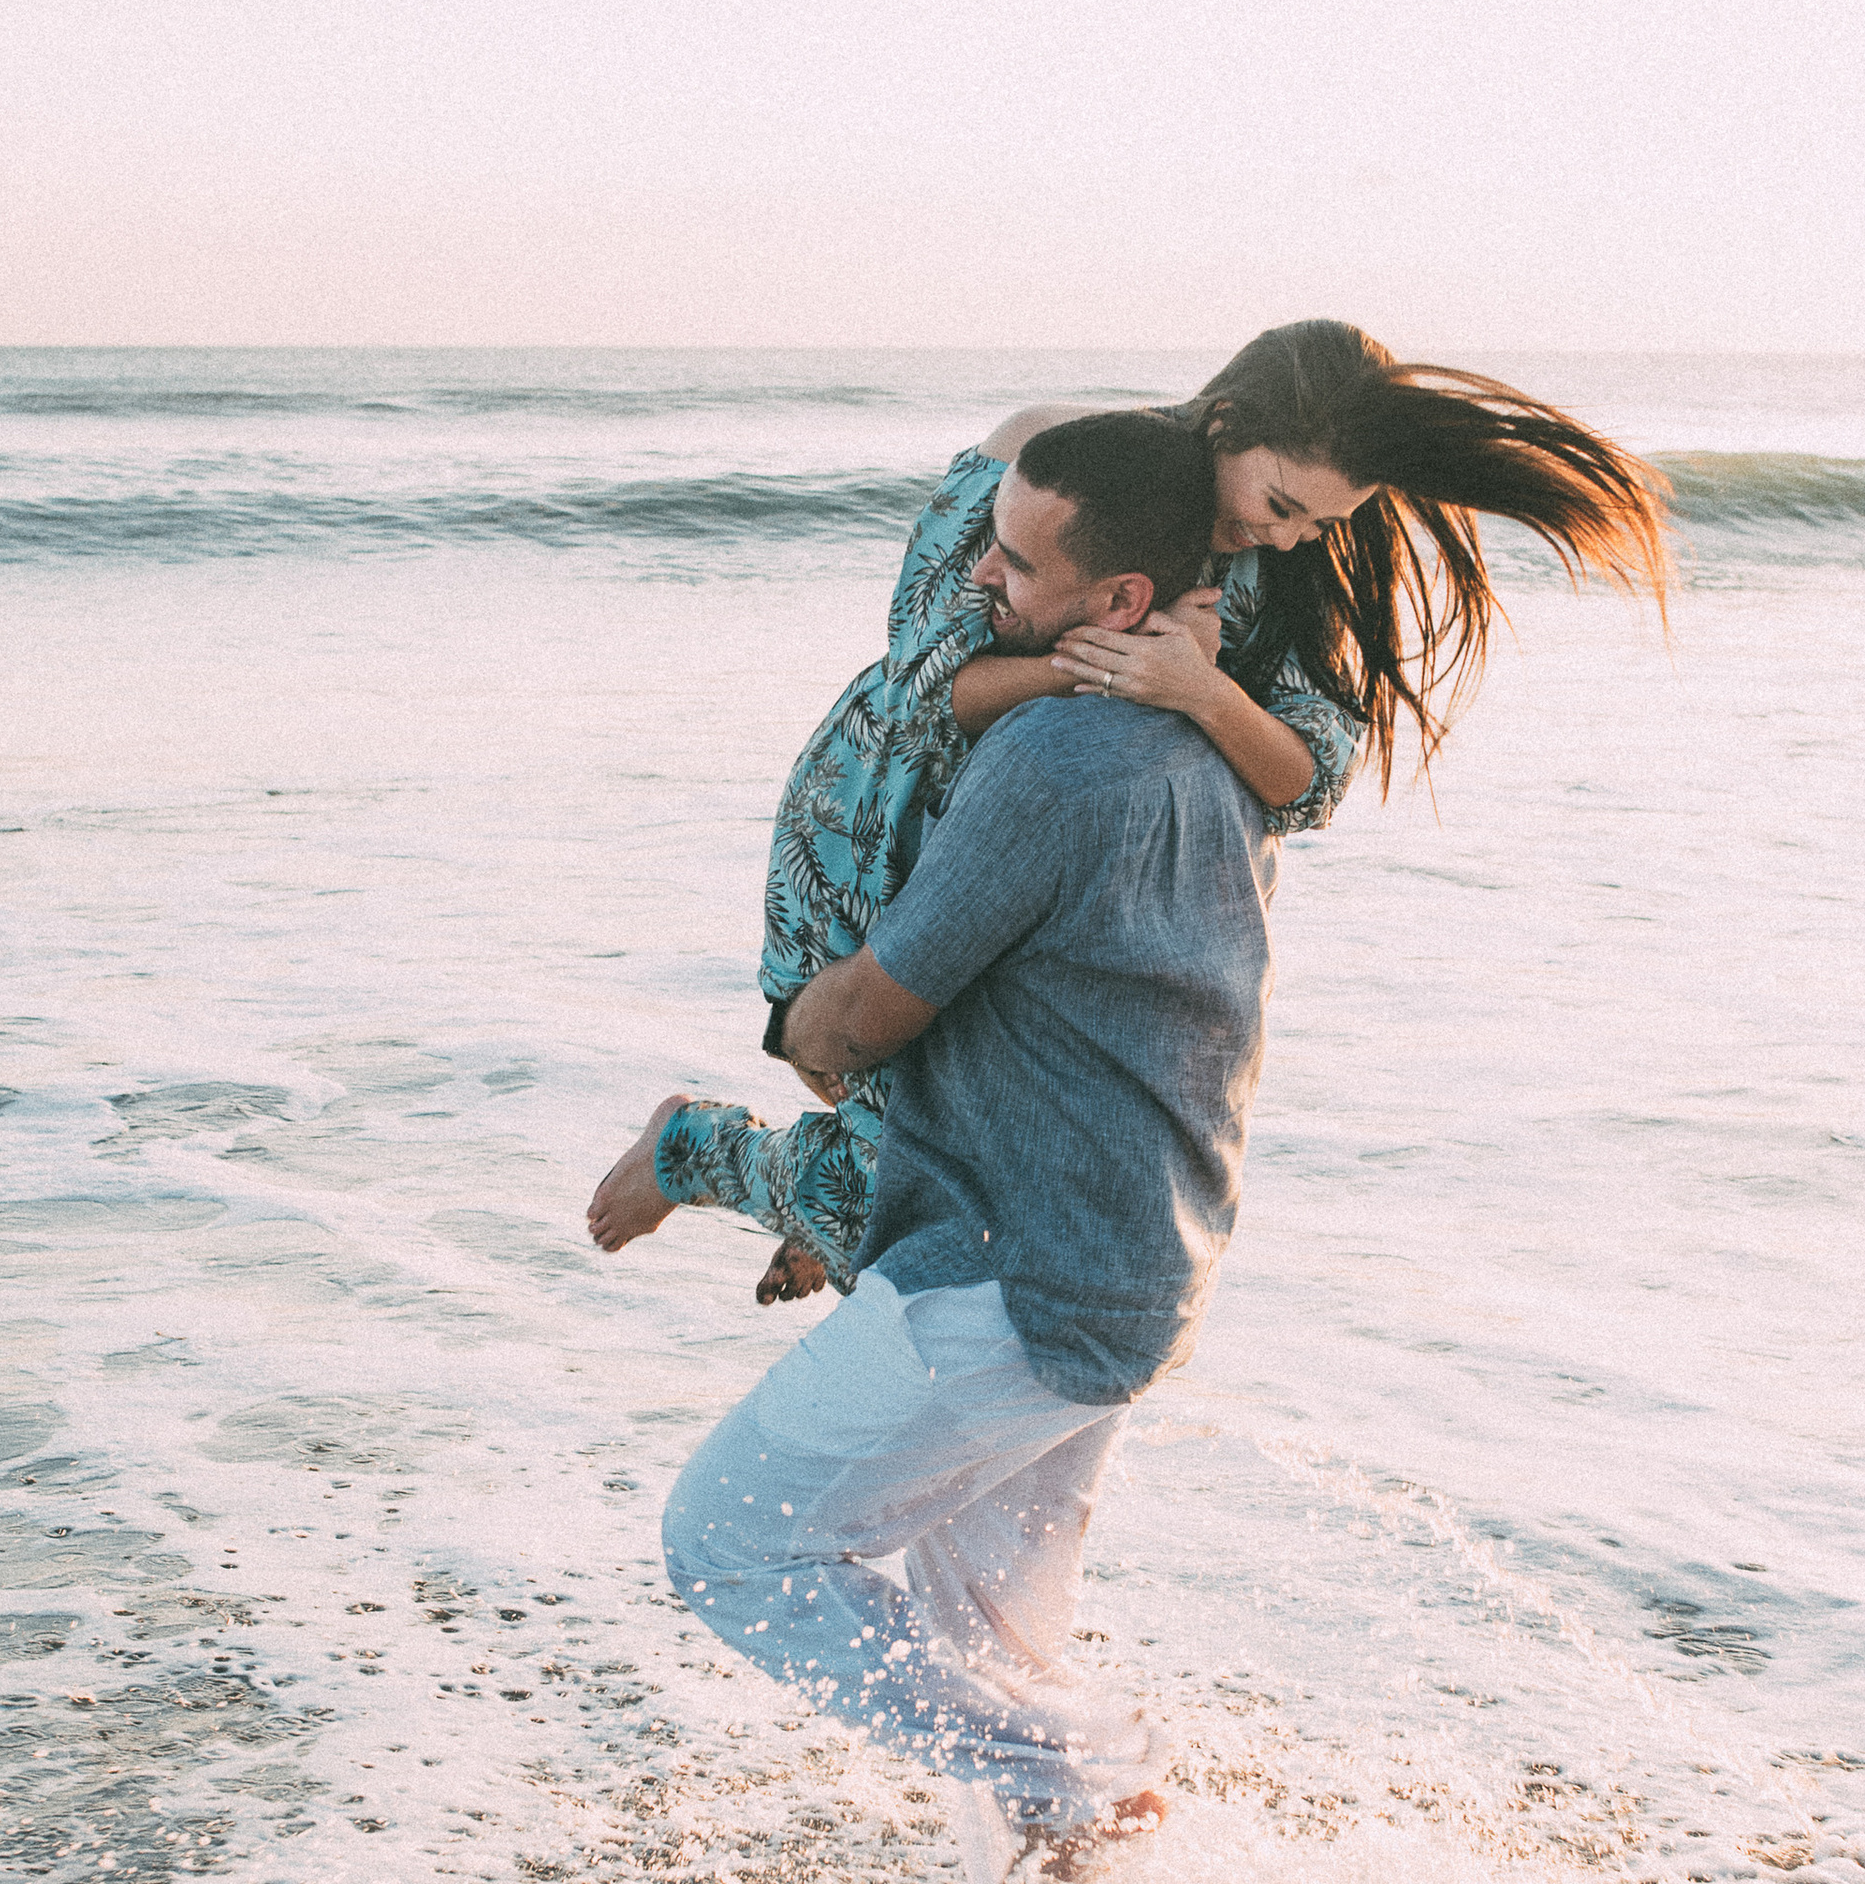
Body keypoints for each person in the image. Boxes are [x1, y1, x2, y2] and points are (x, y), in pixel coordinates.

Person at [587, 317, 1670, 1304]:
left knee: (951, 1179)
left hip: (1023, 886)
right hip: (862, 828)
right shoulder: (1051, 471)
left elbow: (1312, 781)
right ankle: (715, 1158)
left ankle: (769, 1184)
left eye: (1326, 519)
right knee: (848, 1081)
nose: (1294, 538)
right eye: (1281, 504)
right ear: (1228, 422)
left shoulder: (1289, 574)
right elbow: (919, 688)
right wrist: (1102, 673)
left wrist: (1204, 692)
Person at [657, 410, 1262, 1884]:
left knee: (730, 1541)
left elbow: (870, 1015)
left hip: (1008, 1268)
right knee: (988, 1645)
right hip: (1133, 1264)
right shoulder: (1209, 746)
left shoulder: (1059, 755)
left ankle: (1097, 1785)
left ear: (1119, 603)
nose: (977, 579)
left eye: (1014, 559)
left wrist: (796, 1019)